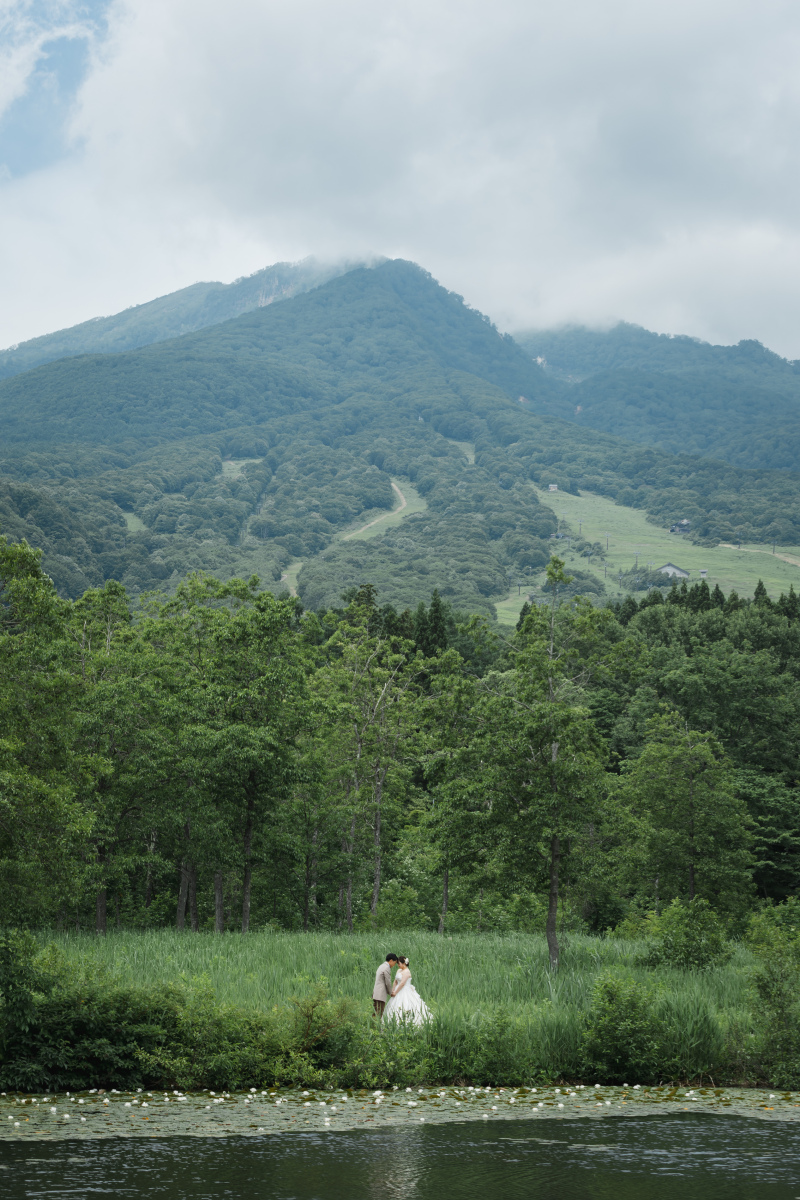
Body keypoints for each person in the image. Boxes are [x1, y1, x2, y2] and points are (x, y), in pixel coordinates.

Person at [384, 955, 431, 1024]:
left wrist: (396, 992)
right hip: (397, 989)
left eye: (399, 963)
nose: (398, 965)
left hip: (404, 990)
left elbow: (402, 983)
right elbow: (395, 981)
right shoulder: (399, 970)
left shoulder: (407, 972)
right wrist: (393, 991)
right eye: (397, 964)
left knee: (406, 1004)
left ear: (403, 963)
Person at [373, 953, 398, 1018]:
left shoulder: (381, 966)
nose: (394, 965)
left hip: (376, 992)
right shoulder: (387, 968)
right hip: (380, 994)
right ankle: (376, 1027)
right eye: (394, 963)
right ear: (391, 961)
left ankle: (372, 1026)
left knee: (375, 1011)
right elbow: (388, 982)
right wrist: (391, 993)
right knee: (379, 1012)